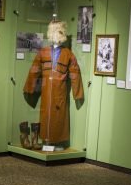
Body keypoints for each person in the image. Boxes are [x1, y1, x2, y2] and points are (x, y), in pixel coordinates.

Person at [22, 19, 84, 150]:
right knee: (45, 114)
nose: (56, 34)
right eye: (54, 31)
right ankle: (45, 140)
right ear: (50, 33)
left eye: (59, 31)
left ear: (63, 33)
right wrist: (29, 88)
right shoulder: (43, 52)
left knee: (59, 116)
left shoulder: (68, 54)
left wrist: (77, 94)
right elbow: (34, 70)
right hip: (46, 91)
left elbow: (75, 74)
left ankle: (58, 142)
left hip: (60, 92)